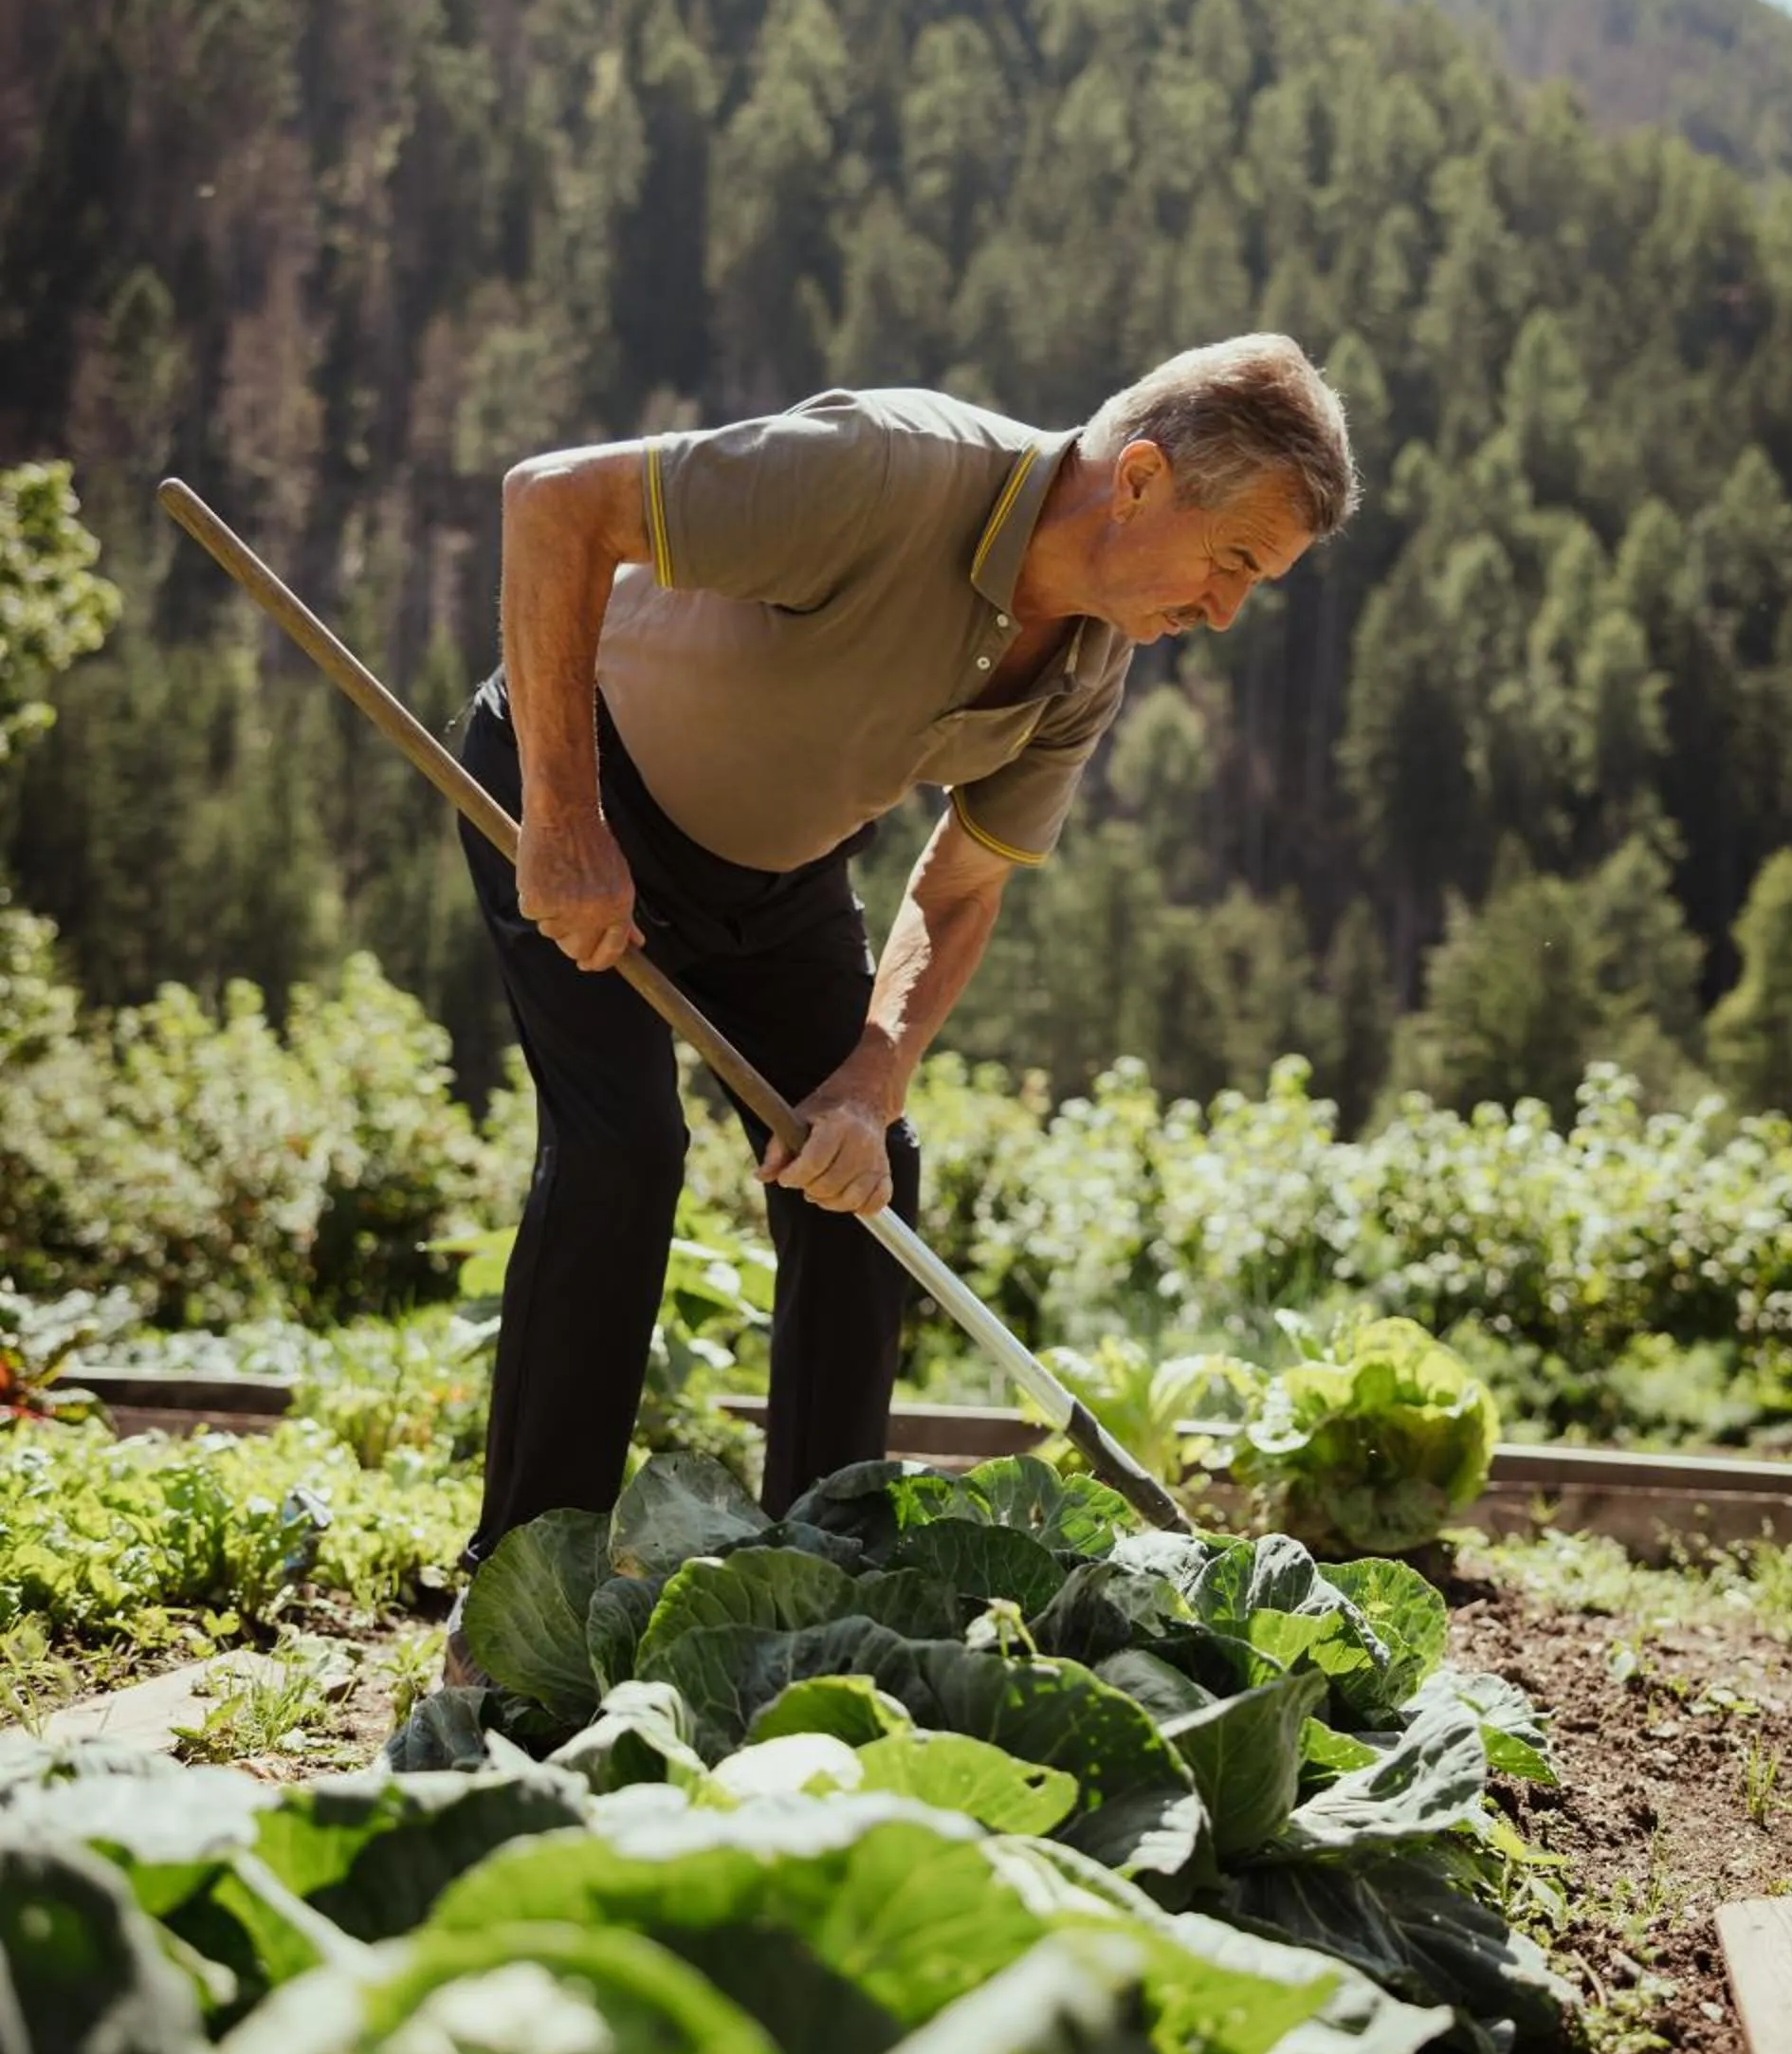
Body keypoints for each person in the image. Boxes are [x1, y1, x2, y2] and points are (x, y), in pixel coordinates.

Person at [446, 333, 1356, 1676]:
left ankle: (812, 1571)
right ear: (1145, 478)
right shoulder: (885, 472)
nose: (1225, 613)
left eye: (1254, 589)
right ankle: (514, 1593)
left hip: (787, 869)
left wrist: (873, 1074)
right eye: (1232, 565)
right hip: (583, 779)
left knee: (862, 1176)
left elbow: (964, 882)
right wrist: (566, 822)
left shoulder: (1089, 661)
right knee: (622, 1153)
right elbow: (555, 501)